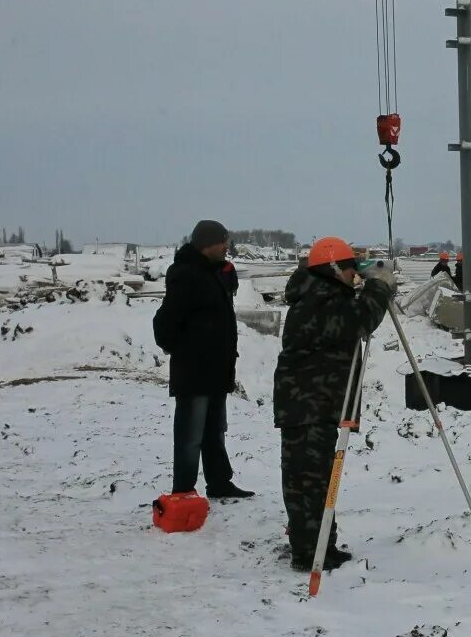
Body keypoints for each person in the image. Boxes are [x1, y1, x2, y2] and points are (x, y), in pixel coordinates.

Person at [273, 237, 394, 572]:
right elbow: (359, 319)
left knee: (318, 479)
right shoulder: (318, 300)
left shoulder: (321, 294)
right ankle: (310, 553)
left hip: (317, 403)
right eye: (349, 267)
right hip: (309, 405)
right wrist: (380, 287)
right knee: (308, 483)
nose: (354, 274)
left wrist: (373, 285)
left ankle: (321, 545)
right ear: (332, 268)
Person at [152, 219, 254, 499]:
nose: (226, 247)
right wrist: (184, 351)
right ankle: (183, 492)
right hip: (195, 371)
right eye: (222, 242)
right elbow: (164, 324)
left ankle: (219, 483)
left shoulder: (215, 273)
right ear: (207, 244)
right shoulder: (186, 275)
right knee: (190, 436)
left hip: (217, 369)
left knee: (215, 431)